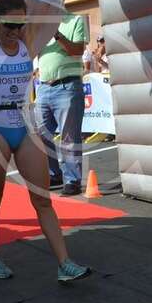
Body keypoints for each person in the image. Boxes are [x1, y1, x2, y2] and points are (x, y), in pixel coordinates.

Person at [0, 0, 90, 282]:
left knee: (42, 200)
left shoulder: (27, 40)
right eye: (8, 26)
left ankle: (64, 263)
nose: (14, 32)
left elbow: (51, 6)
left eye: (20, 26)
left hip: (23, 124)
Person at [36, 12, 87, 195]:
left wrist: (55, 33)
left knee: (69, 137)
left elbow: (77, 50)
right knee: (41, 135)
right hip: (43, 87)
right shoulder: (40, 25)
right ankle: (53, 174)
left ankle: (72, 179)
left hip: (67, 85)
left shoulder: (75, 21)